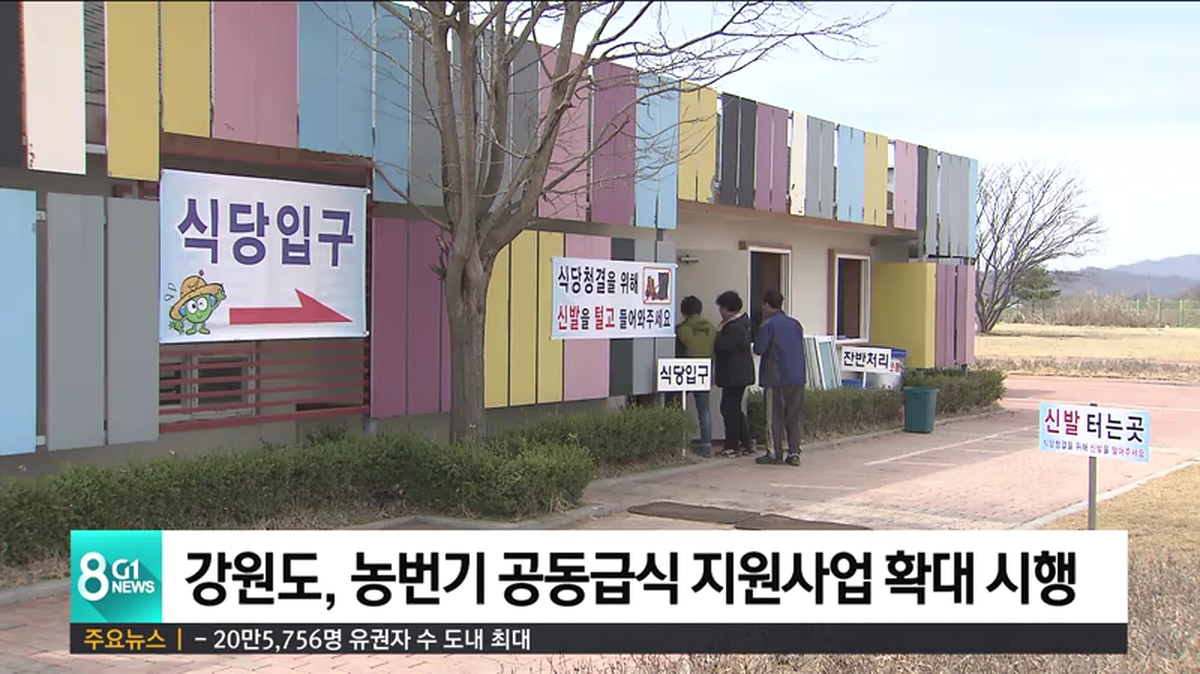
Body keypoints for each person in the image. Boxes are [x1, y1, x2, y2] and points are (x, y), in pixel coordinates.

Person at [753, 289, 806, 466]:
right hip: (797, 376)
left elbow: (759, 348)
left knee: (774, 417)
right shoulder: (795, 324)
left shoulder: (768, 325)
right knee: (793, 417)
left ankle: (774, 453)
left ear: (766, 305)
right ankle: (794, 452)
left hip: (776, 377)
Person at [713, 290, 755, 458]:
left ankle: (732, 446)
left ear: (728, 309)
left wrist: (718, 333)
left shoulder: (734, 327)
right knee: (734, 409)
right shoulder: (741, 324)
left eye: (721, 308)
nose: (720, 312)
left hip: (734, 376)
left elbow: (722, 347)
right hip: (738, 375)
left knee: (729, 409)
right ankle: (746, 443)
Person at [675, 295, 717, 457]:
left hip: (684, 371)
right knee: (704, 411)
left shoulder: (682, 329)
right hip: (704, 371)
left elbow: (682, 344)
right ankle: (707, 445)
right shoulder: (710, 328)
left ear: (684, 311)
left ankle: (679, 444)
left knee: (679, 408)